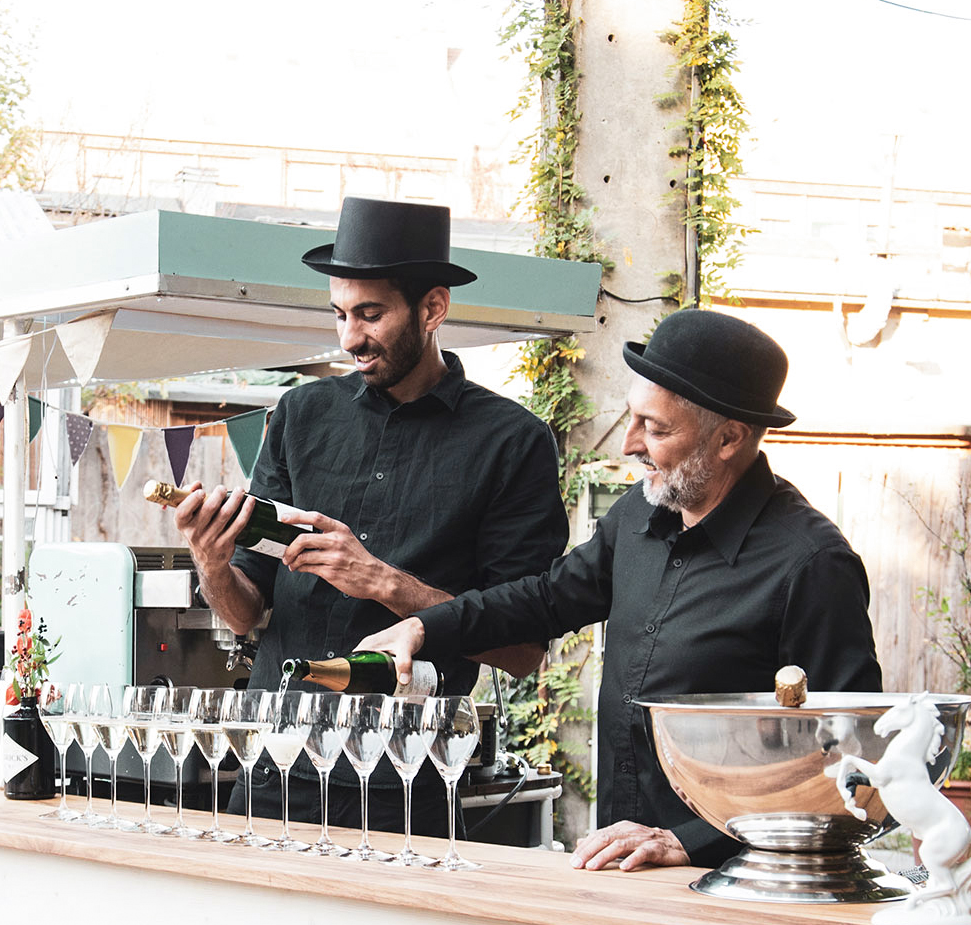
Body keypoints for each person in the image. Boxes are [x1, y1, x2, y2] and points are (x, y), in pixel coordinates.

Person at [353, 307, 882, 869]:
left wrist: (688, 842)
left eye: (655, 428)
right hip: (622, 868)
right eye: (633, 419)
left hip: (747, 883)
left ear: (729, 438)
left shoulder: (812, 564)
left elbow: (851, 760)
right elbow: (544, 599)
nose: (629, 443)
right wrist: (420, 626)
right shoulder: (637, 517)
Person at [172, 197, 569, 836]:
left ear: (433, 308)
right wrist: (211, 561)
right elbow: (247, 612)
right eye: (339, 314)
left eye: (370, 314)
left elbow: (523, 651)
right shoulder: (299, 416)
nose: (350, 338)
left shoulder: (513, 442)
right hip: (275, 758)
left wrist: (384, 583)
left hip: (405, 773)